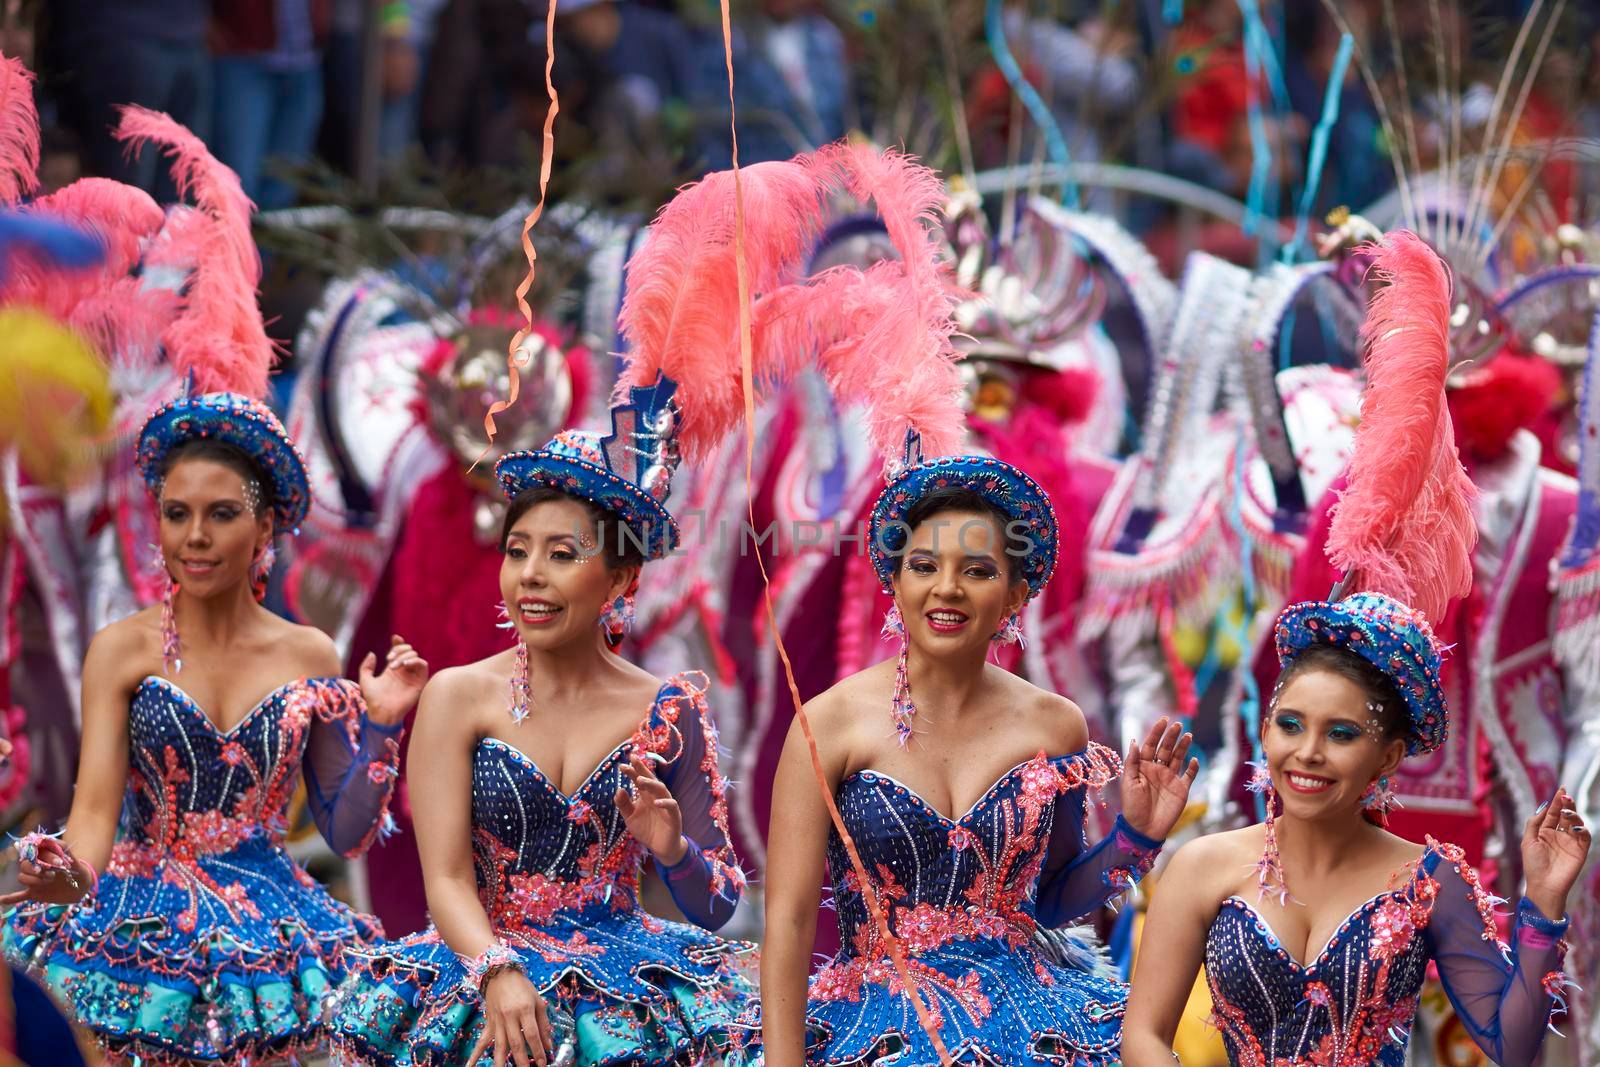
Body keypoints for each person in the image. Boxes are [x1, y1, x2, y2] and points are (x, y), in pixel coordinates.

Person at [330, 378, 756, 1067]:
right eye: (517, 549)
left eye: (562, 555)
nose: (530, 575)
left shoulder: (669, 710)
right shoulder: (457, 696)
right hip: (481, 977)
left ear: (620, 579)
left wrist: (673, 848)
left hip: (624, 1002)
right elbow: (443, 879)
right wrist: (497, 972)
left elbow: (719, 905)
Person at [0, 391, 428, 1065]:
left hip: (272, 937)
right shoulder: (121, 650)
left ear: (264, 530)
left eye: (221, 514)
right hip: (136, 925)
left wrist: (380, 726)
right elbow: (90, 821)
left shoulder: (310, 653)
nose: (193, 536)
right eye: (177, 514)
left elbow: (345, 834)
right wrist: (66, 875)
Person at [759, 436, 1199, 1066]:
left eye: (978, 571)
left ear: (1016, 596)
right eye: (924, 566)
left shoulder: (1055, 726)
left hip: (1032, 1025)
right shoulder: (827, 726)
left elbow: (1051, 900)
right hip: (870, 1030)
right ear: (895, 579)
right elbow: (791, 922)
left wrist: (1134, 840)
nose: (947, 590)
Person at [1121, 592, 1586, 1066]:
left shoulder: (1429, 881)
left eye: (1341, 734)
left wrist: (1543, 907)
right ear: (1265, 732)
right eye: (1291, 725)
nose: (1308, 752)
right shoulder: (1200, 867)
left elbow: (1514, 1048)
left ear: (1388, 758)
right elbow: (1144, 1037)